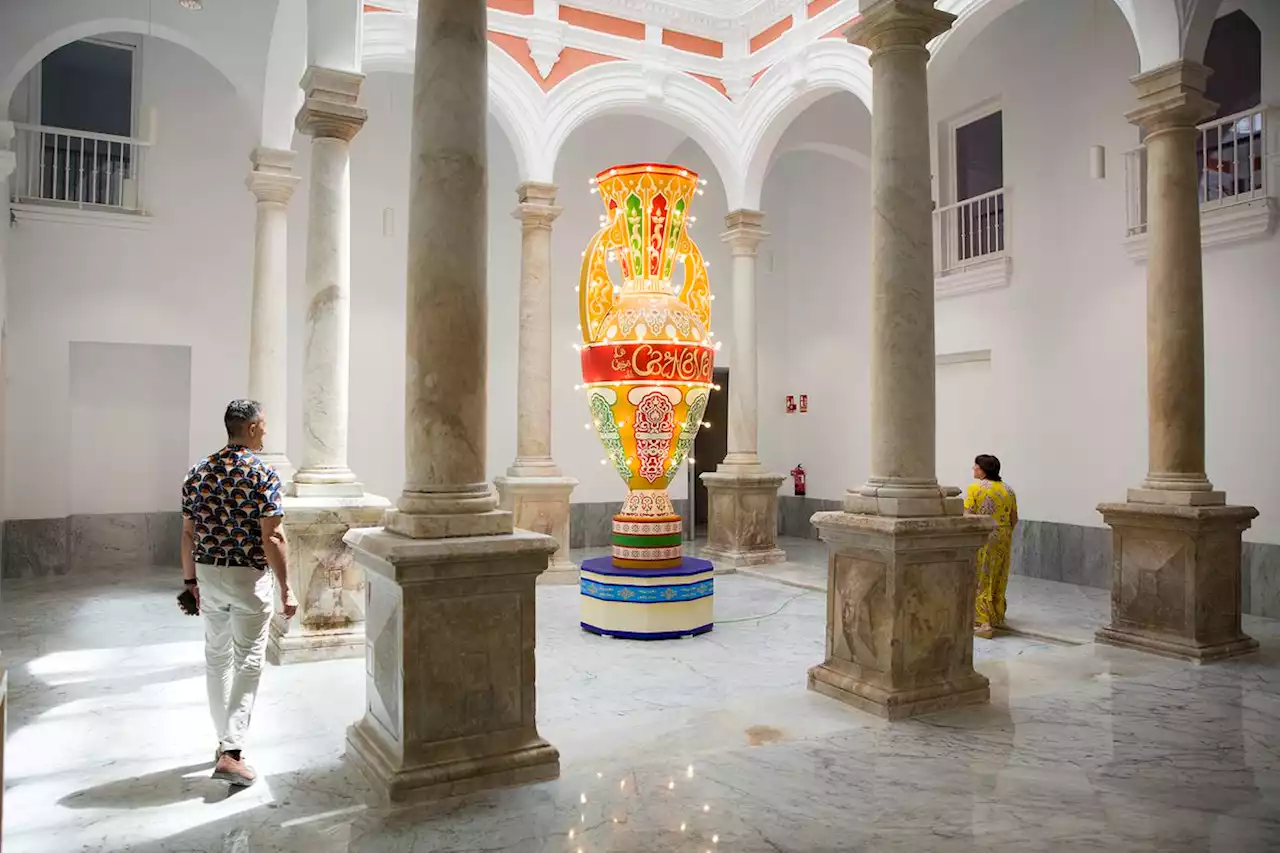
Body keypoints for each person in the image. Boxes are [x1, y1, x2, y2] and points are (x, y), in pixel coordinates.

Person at [179, 399, 297, 787]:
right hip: (248, 576)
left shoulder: (198, 472)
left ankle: (224, 744)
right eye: (263, 425)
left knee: (217, 658)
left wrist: (190, 583)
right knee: (248, 660)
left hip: (209, 574)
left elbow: (187, 533)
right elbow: (273, 536)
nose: (266, 431)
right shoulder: (262, 473)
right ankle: (231, 751)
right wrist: (286, 587)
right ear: (250, 428)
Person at [964, 454, 1018, 639]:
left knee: (981, 576)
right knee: (998, 574)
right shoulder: (1008, 490)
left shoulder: (975, 488)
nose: (973, 468)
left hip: (984, 536)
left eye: (975, 466)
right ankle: (996, 615)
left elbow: (968, 515)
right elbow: (1014, 518)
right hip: (1003, 535)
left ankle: (983, 623)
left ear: (983, 469)